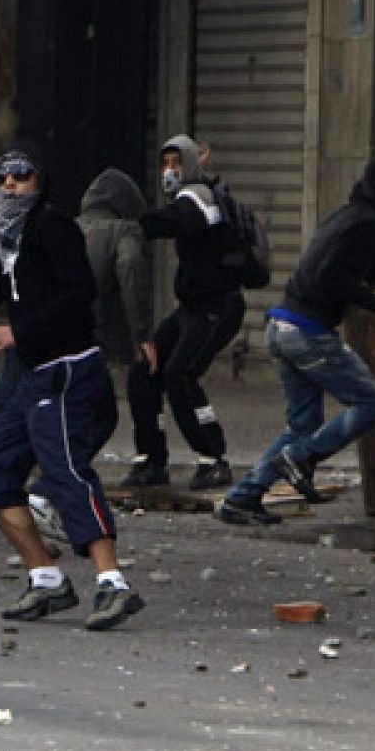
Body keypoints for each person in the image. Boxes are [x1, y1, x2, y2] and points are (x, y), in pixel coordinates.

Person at [0, 145, 144, 631]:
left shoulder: (52, 228)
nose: (10, 185)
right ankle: (45, 578)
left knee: (65, 470)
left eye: (21, 177)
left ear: (39, 184)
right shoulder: (9, 240)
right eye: (2, 178)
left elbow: (79, 292)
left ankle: (112, 583)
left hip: (68, 371)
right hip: (35, 377)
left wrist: (21, 333)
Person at [219, 154, 375, 525]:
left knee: (301, 426)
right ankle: (303, 457)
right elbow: (333, 278)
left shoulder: (348, 216)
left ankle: (242, 498)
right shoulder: (368, 224)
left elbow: (364, 270)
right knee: (374, 403)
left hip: (281, 326)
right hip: (308, 333)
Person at [126, 135, 246, 490]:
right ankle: (151, 458)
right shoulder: (184, 198)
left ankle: (213, 457)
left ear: (193, 163)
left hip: (218, 306)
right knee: (144, 369)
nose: (169, 170)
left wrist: (135, 223)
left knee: (180, 374)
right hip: (191, 308)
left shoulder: (201, 197)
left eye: (177, 163)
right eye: (165, 163)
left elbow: (183, 220)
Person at [76, 167, 152, 365]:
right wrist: (141, 336)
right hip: (90, 335)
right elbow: (131, 272)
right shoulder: (124, 230)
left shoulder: (69, 228)